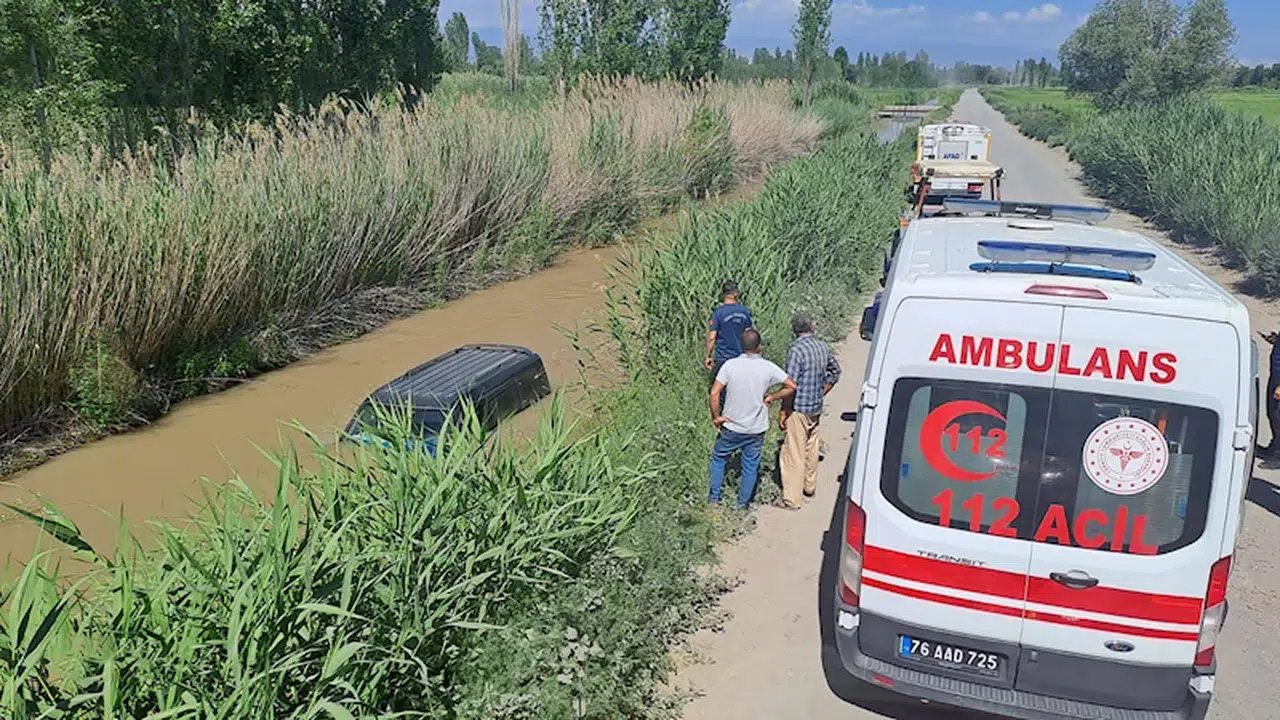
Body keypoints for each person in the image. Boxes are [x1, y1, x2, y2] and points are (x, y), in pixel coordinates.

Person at [709, 328, 797, 509]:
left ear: (741, 346)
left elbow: (715, 392)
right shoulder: (768, 366)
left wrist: (716, 417)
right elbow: (791, 385)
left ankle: (714, 500)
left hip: (732, 425)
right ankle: (742, 504)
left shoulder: (730, 365)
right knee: (750, 465)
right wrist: (772, 396)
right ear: (759, 347)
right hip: (756, 427)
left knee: (719, 458)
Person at [778, 313, 842, 510]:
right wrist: (822, 391)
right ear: (812, 327)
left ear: (794, 330)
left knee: (793, 452)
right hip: (815, 405)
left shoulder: (796, 350)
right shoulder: (821, 346)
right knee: (811, 447)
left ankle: (791, 498)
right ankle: (809, 485)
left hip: (799, 407)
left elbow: (791, 384)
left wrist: (784, 409)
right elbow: (836, 371)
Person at [705, 280, 754, 384]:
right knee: (739, 387)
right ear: (736, 293)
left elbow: (712, 338)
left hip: (723, 358)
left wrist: (708, 356)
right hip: (741, 357)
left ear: (723, 294)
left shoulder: (718, 313)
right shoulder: (744, 312)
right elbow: (749, 334)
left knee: (721, 390)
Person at [1259, 330, 1280, 457]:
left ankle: (1277, 452)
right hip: (1276, 375)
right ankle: (1275, 447)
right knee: (1272, 413)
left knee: (1277, 416)